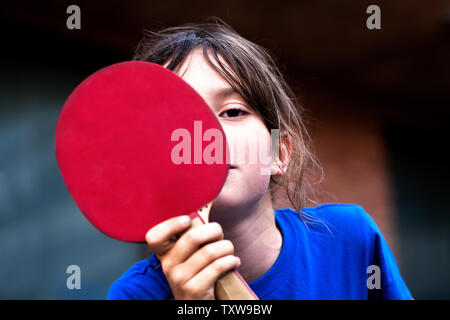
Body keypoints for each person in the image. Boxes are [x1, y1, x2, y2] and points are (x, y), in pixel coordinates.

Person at [107, 20, 412, 300]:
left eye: (232, 112)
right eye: (176, 120)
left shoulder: (351, 240)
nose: (206, 135)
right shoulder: (135, 295)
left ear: (279, 152)